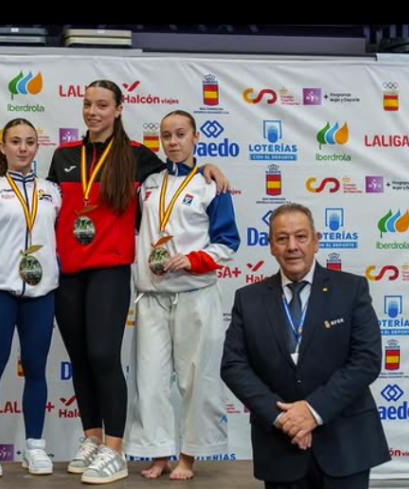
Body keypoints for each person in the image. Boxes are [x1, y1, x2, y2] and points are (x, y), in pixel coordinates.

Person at [47, 79, 229, 485]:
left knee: (103, 355)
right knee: (80, 357)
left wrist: (209, 167)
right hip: (69, 272)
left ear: (118, 109)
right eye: (87, 104)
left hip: (110, 270)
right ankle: (92, 438)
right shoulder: (63, 156)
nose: (93, 112)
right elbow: (50, 211)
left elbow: (180, 175)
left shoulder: (136, 157)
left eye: (102, 105)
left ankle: (114, 448)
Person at [221, 203, 391, 489]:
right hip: (280, 448)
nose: (292, 246)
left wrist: (312, 411)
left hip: (346, 447)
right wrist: (282, 418)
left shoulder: (351, 290)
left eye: (301, 237)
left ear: (316, 241)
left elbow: (367, 360)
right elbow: (233, 366)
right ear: (271, 246)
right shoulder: (248, 299)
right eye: (282, 238)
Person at [124, 110, 240, 480]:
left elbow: (228, 243)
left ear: (195, 137)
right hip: (151, 297)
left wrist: (192, 260)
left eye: (180, 134)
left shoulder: (211, 185)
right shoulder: (148, 183)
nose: (173, 142)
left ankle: (189, 456)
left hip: (195, 294)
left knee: (197, 378)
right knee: (150, 380)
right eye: (166, 135)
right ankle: (158, 453)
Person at [0, 118, 62, 477]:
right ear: (3, 146)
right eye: (15, 141)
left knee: (37, 370)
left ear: (37, 147)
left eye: (29, 142)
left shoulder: (52, 191)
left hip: (41, 292)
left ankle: (35, 447)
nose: (23, 148)